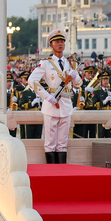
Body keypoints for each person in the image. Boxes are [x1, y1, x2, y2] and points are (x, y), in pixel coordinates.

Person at [28, 29, 82, 164]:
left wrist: (75, 78)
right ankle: (52, 170)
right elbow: (31, 81)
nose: (60, 44)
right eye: (57, 42)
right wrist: (46, 96)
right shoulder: (46, 63)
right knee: (50, 141)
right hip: (52, 103)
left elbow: (78, 85)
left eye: (62, 41)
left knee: (63, 142)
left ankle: (62, 170)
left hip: (66, 103)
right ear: (51, 45)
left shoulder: (70, 63)